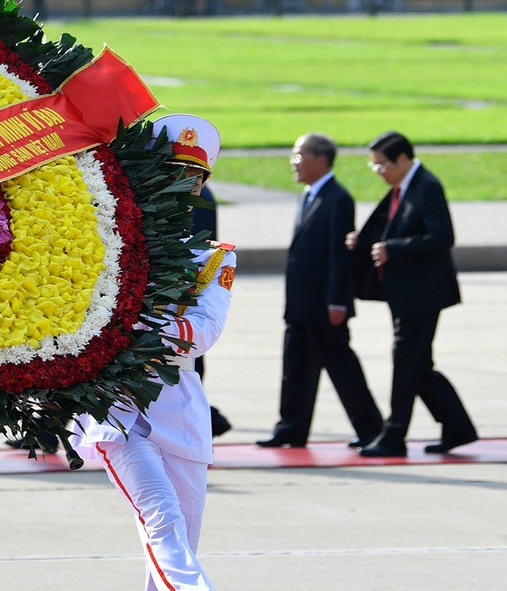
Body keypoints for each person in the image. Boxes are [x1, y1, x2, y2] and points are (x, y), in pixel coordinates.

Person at [74, 113, 252, 591]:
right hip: (115, 412)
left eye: (193, 178)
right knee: (162, 522)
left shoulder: (213, 257)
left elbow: (202, 333)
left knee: (166, 566)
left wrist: (136, 325)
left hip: (178, 415)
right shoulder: (107, 242)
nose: (184, 188)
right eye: (171, 174)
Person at [348, 132, 478, 456]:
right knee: (417, 366)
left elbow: (442, 236)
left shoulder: (426, 186)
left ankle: (394, 437)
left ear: (403, 159)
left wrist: (393, 249)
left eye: (382, 165)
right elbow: (391, 224)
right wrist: (363, 241)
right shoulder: (403, 186)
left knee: (406, 363)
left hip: (423, 294)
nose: (379, 172)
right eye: (374, 165)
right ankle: (458, 427)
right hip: (405, 293)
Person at [258, 134, 382, 448]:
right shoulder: (309, 194)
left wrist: (338, 301)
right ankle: (291, 428)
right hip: (301, 304)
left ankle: (372, 430)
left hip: (324, 305)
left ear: (321, 160)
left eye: (299, 156)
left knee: (343, 369)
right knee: (295, 368)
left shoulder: (338, 198)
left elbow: (339, 256)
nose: (293, 162)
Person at [189, 181, 232, 438]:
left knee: (191, 368)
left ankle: (205, 422)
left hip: (187, 300)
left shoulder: (198, 192)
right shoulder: (199, 190)